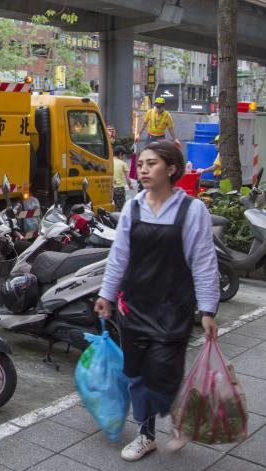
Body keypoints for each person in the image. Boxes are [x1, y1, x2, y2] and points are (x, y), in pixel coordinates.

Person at [93, 141, 219, 462]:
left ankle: (176, 413)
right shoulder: (134, 207)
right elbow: (119, 256)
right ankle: (146, 434)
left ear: (172, 169)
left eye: (152, 163)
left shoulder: (192, 211)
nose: (144, 170)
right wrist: (106, 294)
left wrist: (207, 310)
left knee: (162, 371)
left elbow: (204, 263)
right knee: (136, 373)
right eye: (142, 164)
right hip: (133, 306)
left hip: (173, 308)